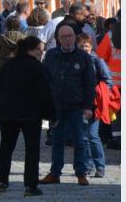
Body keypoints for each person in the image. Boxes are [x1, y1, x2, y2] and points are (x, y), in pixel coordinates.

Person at [0, 36, 55, 196]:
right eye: (39, 50)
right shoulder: (36, 66)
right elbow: (45, 92)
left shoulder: (8, 65)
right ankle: (30, 185)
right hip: (30, 114)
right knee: (32, 150)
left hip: (8, 114)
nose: (41, 53)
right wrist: (52, 114)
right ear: (30, 50)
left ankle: (1, 181)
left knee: (6, 147)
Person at [39, 25, 96, 186]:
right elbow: (46, 80)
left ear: (74, 37)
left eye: (70, 36)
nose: (67, 39)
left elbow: (90, 83)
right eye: (64, 37)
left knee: (79, 140)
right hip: (57, 106)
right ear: (58, 39)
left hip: (77, 106)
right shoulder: (51, 55)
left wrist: (88, 106)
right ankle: (55, 173)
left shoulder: (83, 57)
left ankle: (81, 172)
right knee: (57, 140)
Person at [77, 34, 112, 178]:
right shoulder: (74, 60)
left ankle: (100, 166)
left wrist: (99, 92)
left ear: (91, 47)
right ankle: (88, 166)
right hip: (79, 104)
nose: (84, 48)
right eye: (81, 46)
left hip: (94, 105)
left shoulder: (97, 61)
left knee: (92, 135)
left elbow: (108, 80)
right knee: (83, 137)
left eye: (86, 46)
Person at [0, 16, 28, 82]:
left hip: (3, 66)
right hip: (19, 66)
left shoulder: (1, 38)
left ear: (7, 25)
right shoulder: (24, 38)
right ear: (19, 25)